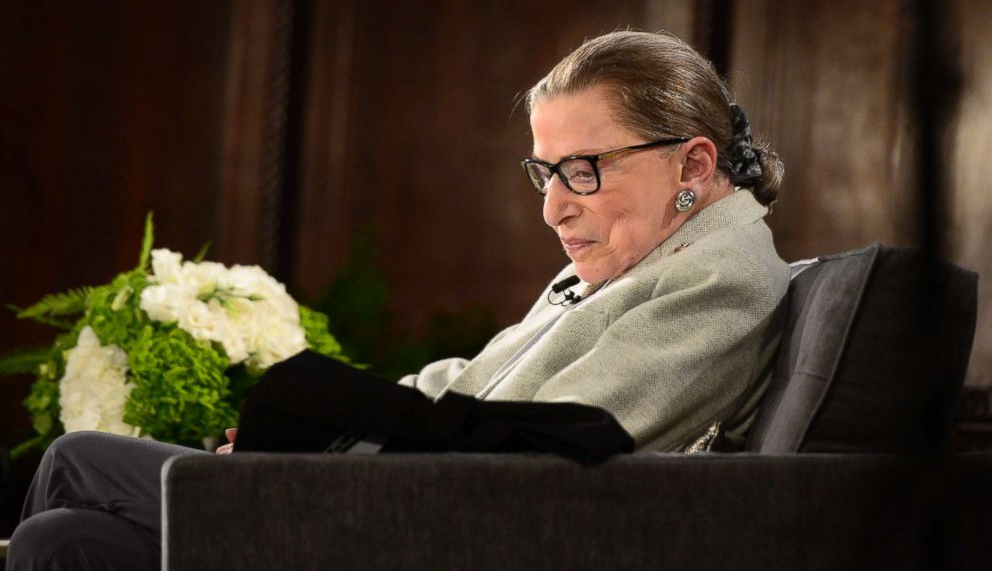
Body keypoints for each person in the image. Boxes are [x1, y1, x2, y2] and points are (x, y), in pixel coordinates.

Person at [7, 30, 790, 570]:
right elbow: (474, 386)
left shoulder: (719, 278)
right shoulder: (648, 256)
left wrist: (322, 459)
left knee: (79, 460)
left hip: (429, 531)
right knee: (61, 541)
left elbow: (546, 455)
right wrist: (325, 430)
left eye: (583, 168)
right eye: (545, 173)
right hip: (410, 502)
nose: (554, 208)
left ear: (693, 164)